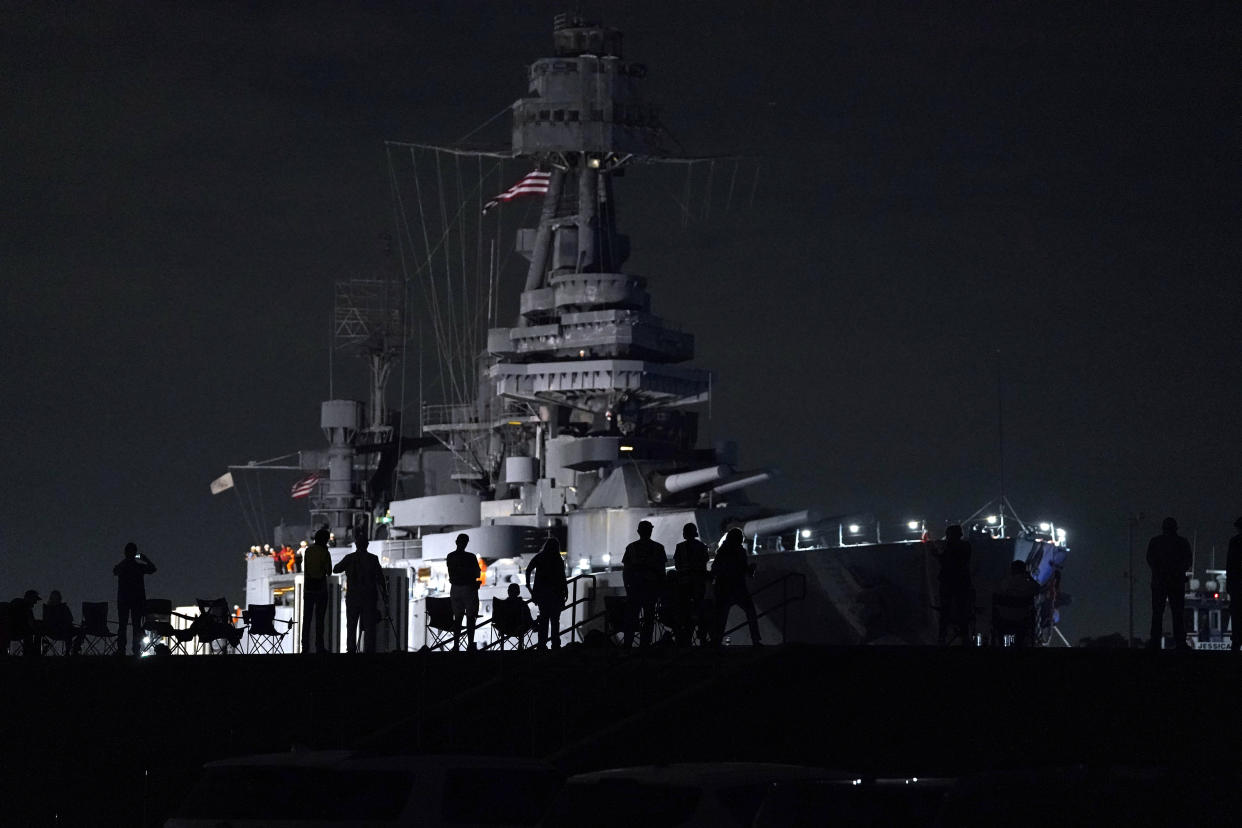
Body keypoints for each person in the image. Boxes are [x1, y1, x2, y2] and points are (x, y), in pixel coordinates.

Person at [333, 536, 386, 653]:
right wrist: (385, 595)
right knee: (369, 626)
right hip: (369, 598)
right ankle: (368, 650)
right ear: (367, 545)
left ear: (356, 545)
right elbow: (381, 579)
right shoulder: (373, 559)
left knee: (351, 625)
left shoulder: (349, 558)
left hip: (353, 597)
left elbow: (335, 569)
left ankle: (351, 650)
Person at [711, 528, 762, 646]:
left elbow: (715, 569)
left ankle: (716, 642)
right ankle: (756, 639)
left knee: (721, 617)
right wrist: (751, 568)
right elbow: (744, 569)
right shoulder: (740, 551)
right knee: (751, 613)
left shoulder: (722, 551)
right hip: (738, 587)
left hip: (723, 588)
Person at [1147, 516, 1192, 650]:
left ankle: (1155, 641)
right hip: (1176, 582)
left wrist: (1160, 571)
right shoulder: (1182, 542)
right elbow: (1188, 561)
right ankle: (1180, 642)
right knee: (1177, 612)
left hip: (1159, 582)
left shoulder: (1155, 542)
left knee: (1157, 612)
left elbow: (1150, 559)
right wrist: (1176, 571)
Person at [622, 520, 668, 647]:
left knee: (632, 618)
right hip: (651, 589)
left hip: (635, 589)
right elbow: (661, 572)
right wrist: (661, 591)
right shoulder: (659, 548)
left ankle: (628, 644)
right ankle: (645, 644)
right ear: (651, 531)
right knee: (649, 618)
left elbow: (626, 571)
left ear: (638, 532)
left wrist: (627, 587)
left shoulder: (631, 548)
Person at [932, 525, 973, 646]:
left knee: (945, 611)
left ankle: (942, 637)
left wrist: (936, 555)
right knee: (962, 611)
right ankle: (964, 637)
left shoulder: (950, 547)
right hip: (962, 582)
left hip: (949, 582)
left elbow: (946, 562)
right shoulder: (965, 546)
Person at [113, 543, 156, 656]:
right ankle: (135, 650)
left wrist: (125, 560)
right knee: (135, 626)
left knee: (123, 625)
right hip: (136, 600)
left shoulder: (124, 566)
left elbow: (115, 571)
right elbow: (152, 568)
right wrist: (145, 559)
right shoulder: (138, 567)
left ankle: (122, 650)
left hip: (125, 600)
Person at [525, 537, 568, 649]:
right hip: (556, 594)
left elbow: (528, 569)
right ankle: (555, 644)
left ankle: (542, 644)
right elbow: (562, 578)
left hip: (542, 594)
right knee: (555, 621)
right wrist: (565, 591)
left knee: (543, 620)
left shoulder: (540, 557)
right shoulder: (558, 559)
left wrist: (529, 586)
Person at [673, 522, 710, 646]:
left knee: (684, 612)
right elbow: (704, 561)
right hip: (698, 584)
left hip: (683, 585)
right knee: (700, 612)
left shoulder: (680, 547)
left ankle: (684, 638)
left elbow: (677, 565)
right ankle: (702, 638)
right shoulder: (702, 546)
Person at [446, 533, 481, 651]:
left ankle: (456, 645)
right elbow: (477, 573)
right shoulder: (471, 557)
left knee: (458, 618)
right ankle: (470, 644)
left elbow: (453, 573)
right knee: (471, 617)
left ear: (456, 542)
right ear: (466, 543)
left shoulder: (450, 556)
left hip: (455, 589)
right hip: (469, 589)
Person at [994, 561, 1041, 647]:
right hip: (1020, 620)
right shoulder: (1028, 585)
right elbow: (1038, 588)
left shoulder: (1004, 583)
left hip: (1003, 618)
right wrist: (1029, 577)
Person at [301, 528, 333, 654]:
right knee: (320, 620)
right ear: (325, 540)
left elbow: (307, 568)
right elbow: (329, 572)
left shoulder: (308, 551)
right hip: (320, 589)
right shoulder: (325, 552)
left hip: (308, 589)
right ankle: (319, 647)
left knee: (307, 619)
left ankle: (305, 647)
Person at [496, 583, 534, 649]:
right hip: (519, 628)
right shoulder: (522, 604)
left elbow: (497, 617)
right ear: (518, 592)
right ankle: (520, 646)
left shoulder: (502, 604)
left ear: (508, 592)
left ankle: (502, 648)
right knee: (523, 621)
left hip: (505, 628)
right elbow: (528, 617)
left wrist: (498, 624)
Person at [42, 590, 78, 655]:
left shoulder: (48, 609)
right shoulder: (51, 609)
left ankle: (74, 649)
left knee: (74, 630)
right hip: (55, 631)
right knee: (69, 631)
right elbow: (70, 619)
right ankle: (72, 650)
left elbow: (70, 619)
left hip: (53, 631)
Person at [5, 591, 41, 656]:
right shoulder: (27, 608)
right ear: (30, 598)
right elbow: (30, 623)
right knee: (36, 632)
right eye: (35, 600)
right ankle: (34, 654)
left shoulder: (14, 602)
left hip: (8, 631)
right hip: (19, 632)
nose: (35, 602)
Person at [1227, 517, 1242, 653]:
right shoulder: (1234, 542)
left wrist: (1229, 584)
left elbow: (1230, 564)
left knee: (1236, 614)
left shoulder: (1234, 542)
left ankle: (1236, 642)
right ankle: (1236, 641)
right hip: (1236, 584)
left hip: (1236, 584)